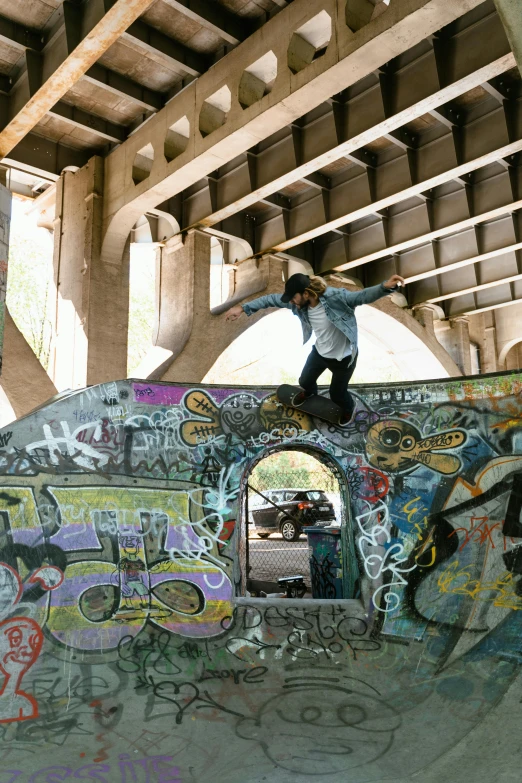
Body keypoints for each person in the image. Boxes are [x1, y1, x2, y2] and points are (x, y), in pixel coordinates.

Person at [225, 272, 405, 424]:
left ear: (306, 292)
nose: (293, 303)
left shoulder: (336, 298)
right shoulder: (299, 303)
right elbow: (271, 299)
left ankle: (349, 408)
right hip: (320, 353)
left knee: (337, 394)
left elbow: (362, 296)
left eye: (294, 297)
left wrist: (385, 287)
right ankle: (310, 394)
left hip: (344, 359)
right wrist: (242, 308)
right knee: (304, 381)